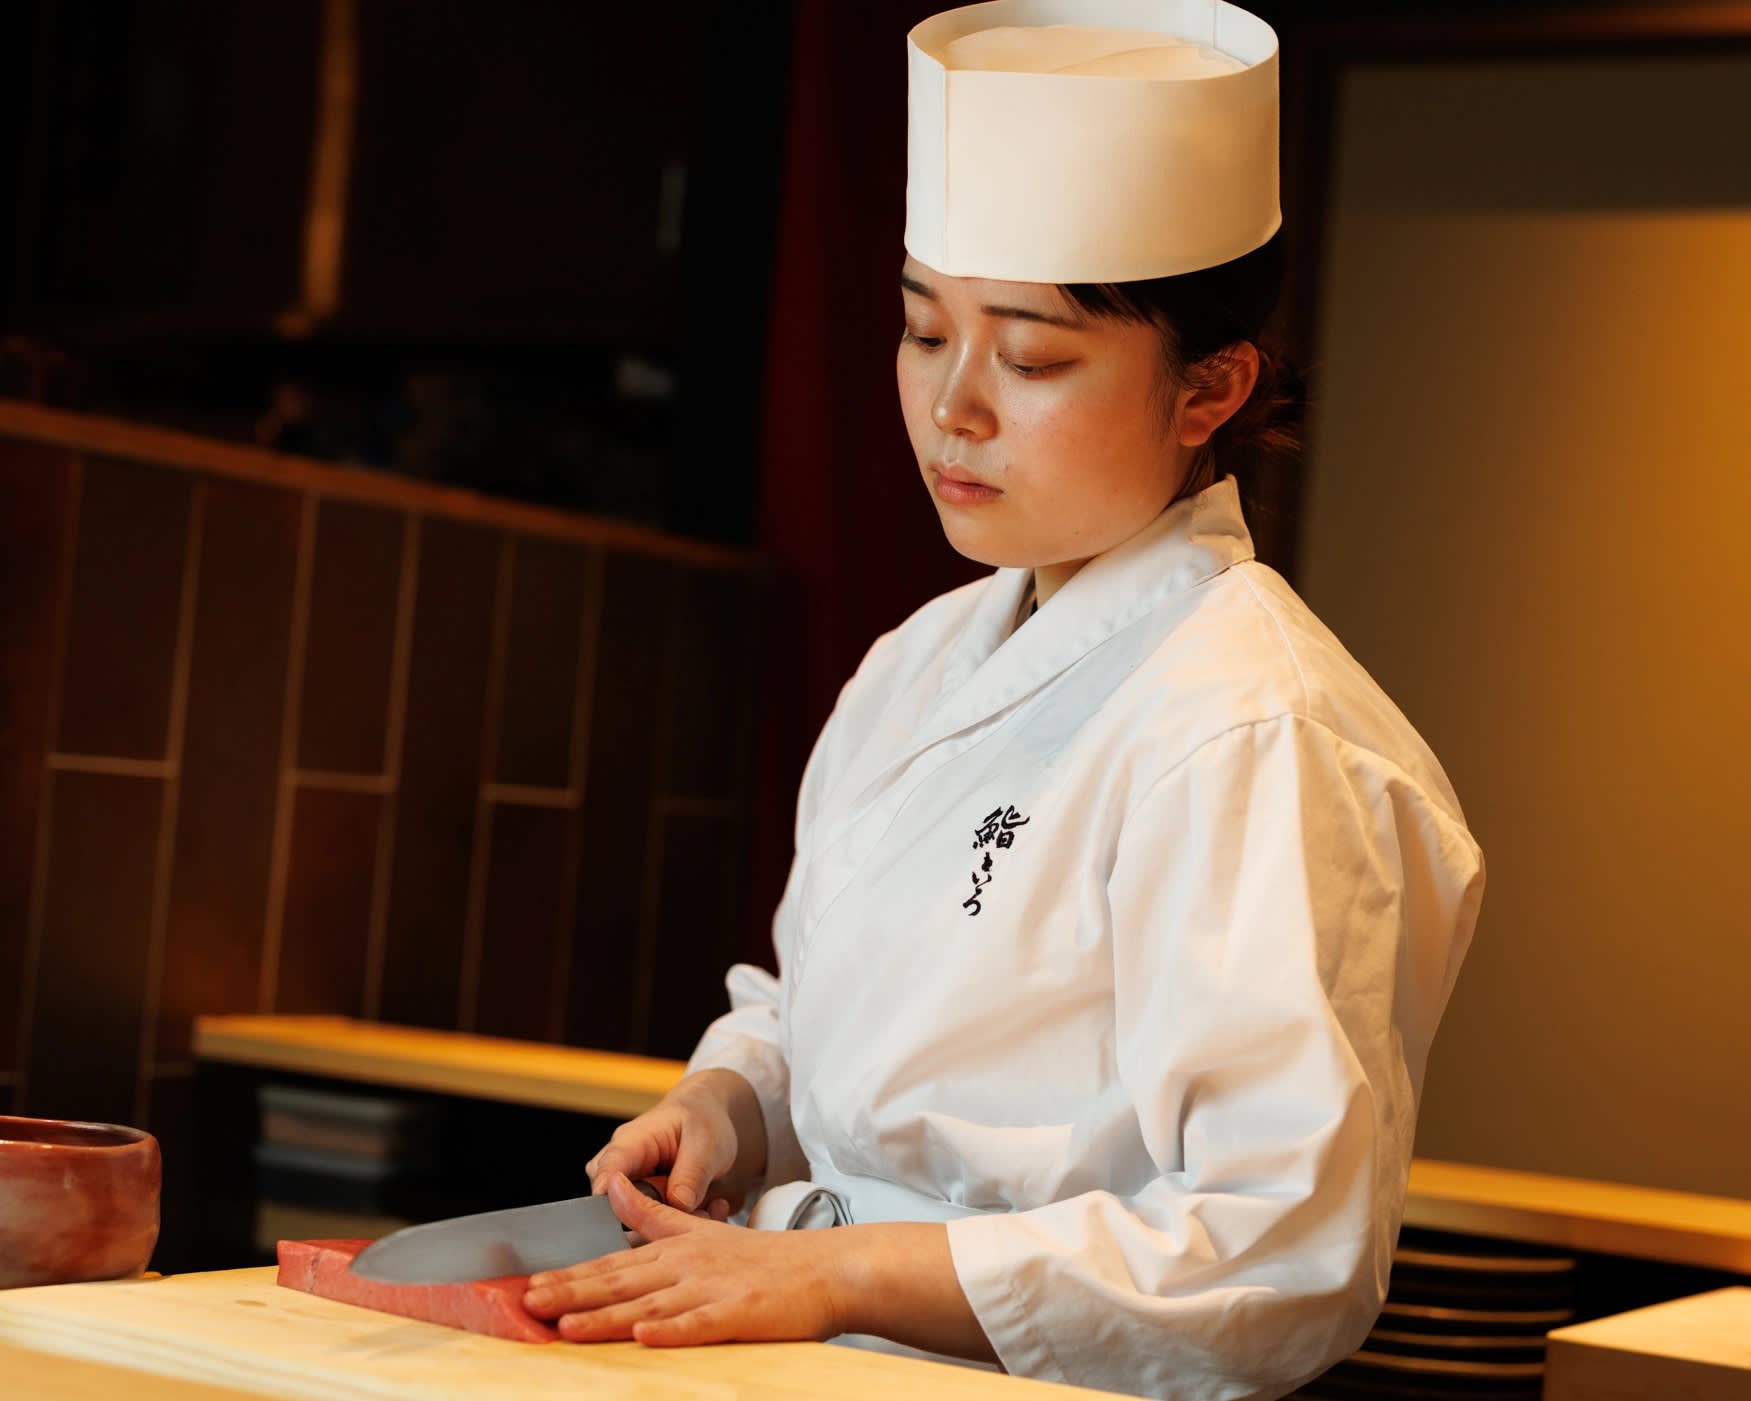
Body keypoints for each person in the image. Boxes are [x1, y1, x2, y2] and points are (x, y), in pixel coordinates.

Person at [521, 4, 1485, 1398]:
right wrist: (732, 1101)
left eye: (1031, 358)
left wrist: (842, 1272)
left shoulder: (1252, 728)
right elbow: (821, 1010)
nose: (952, 408)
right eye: (924, 331)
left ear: (1210, 388)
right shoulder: (918, 662)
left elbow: (1274, 1249)